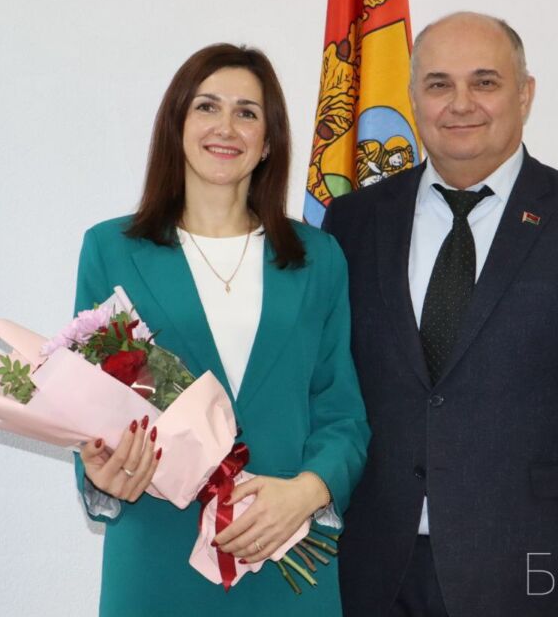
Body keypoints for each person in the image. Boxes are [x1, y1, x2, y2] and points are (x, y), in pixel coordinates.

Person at [323, 12, 558, 617]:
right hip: (371, 580)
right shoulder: (354, 223)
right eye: (439, 84)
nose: (460, 103)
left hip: (536, 586)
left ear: (525, 94)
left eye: (484, 82)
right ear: (413, 97)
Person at [72, 43, 370, 616]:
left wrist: (307, 491)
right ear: (177, 125)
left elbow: (341, 410)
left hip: (286, 550)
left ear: (268, 141)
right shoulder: (111, 249)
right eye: (207, 107)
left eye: (247, 112)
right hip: (158, 555)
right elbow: (92, 401)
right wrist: (102, 472)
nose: (226, 127)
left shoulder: (319, 258)